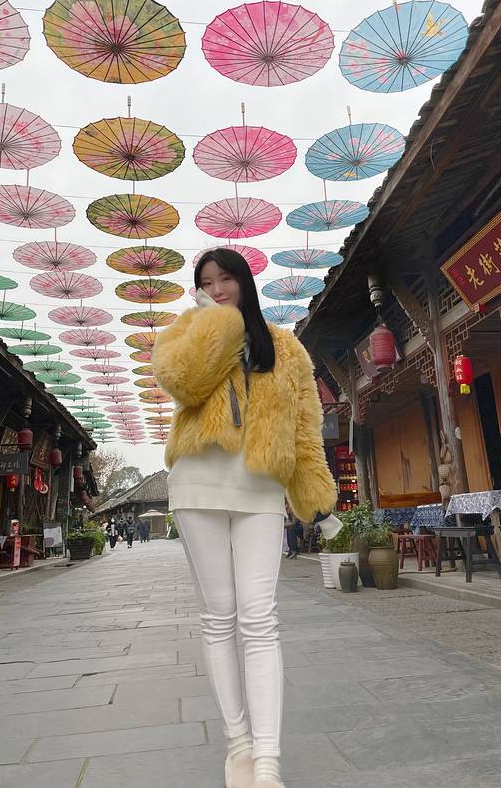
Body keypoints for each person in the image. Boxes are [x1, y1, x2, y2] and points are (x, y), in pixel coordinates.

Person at [152, 248, 340, 788]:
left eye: (226, 279)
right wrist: (217, 326)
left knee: (260, 618)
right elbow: (186, 384)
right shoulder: (185, 332)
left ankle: (268, 761)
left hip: (260, 489)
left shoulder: (285, 347)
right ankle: (238, 745)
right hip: (198, 485)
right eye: (207, 282)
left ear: (244, 281)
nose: (217, 289)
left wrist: (314, 497)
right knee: (219, 615)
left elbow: (305, 427)